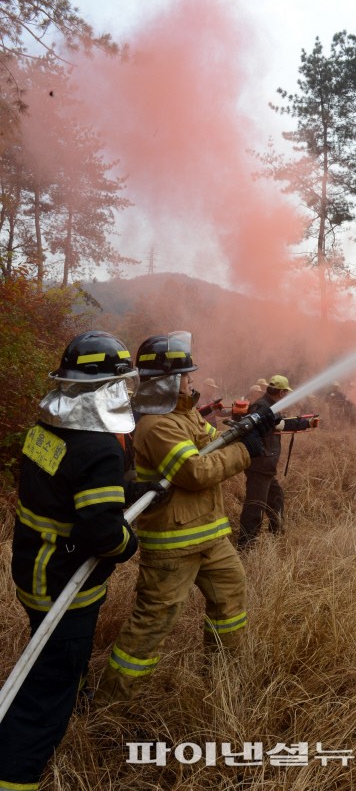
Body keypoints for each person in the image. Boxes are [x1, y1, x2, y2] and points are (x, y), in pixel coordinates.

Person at [0, 330, 151, 789]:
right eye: (121, 384)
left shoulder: (45, 430)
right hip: (65, 587)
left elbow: (65, 491)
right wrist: (128, 544)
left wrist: (129, 494)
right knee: (47, 694)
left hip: (33, 569)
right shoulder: (100, 448)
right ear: (106, 388)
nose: (126, 392)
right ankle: (14, 775)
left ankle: (73, 690)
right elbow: (103, 535)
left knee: (53, 661)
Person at [94, 332, 275, 704]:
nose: (191, 381)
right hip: (173, 544)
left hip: (211, 535)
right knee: (152, 623)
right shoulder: (155, 426)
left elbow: (214, 441)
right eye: (186, 375)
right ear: (169, 380)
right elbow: (195, 471)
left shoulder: (185, 412)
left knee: (231, 599)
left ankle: (225, 677)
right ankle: (112, 703)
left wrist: (250, 428)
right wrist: (245, 452)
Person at [237, 375, 317, 550]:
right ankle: (246, 545)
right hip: (260, 465)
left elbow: (280, 424)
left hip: (266, 466)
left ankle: (276, 536)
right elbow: (274, 425)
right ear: (281, 392)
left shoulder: (269, 406)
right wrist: (302, 423)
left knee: (276, 499)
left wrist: (307, 423)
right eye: (286, 393)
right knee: (255, 506)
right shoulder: (262, 407)